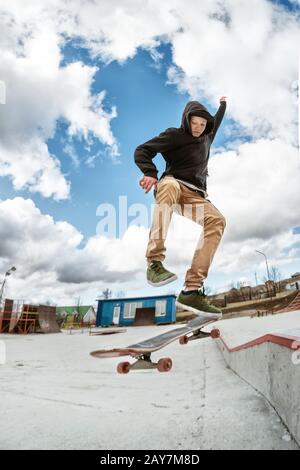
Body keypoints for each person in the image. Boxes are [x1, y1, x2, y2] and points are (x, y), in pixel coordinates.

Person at [134, 97, 227, 317]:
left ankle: (192, 290)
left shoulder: (207, 137)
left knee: (217, 221)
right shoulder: (174, 135)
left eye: (202, 125)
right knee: (169, 185)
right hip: (172, 185)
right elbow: (142, 150)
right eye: (194, 123)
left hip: (194, 195)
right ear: (187, 120)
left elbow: (218, 119)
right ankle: (154, 263)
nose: (197, 128)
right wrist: (149, 172)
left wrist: (223, 104)